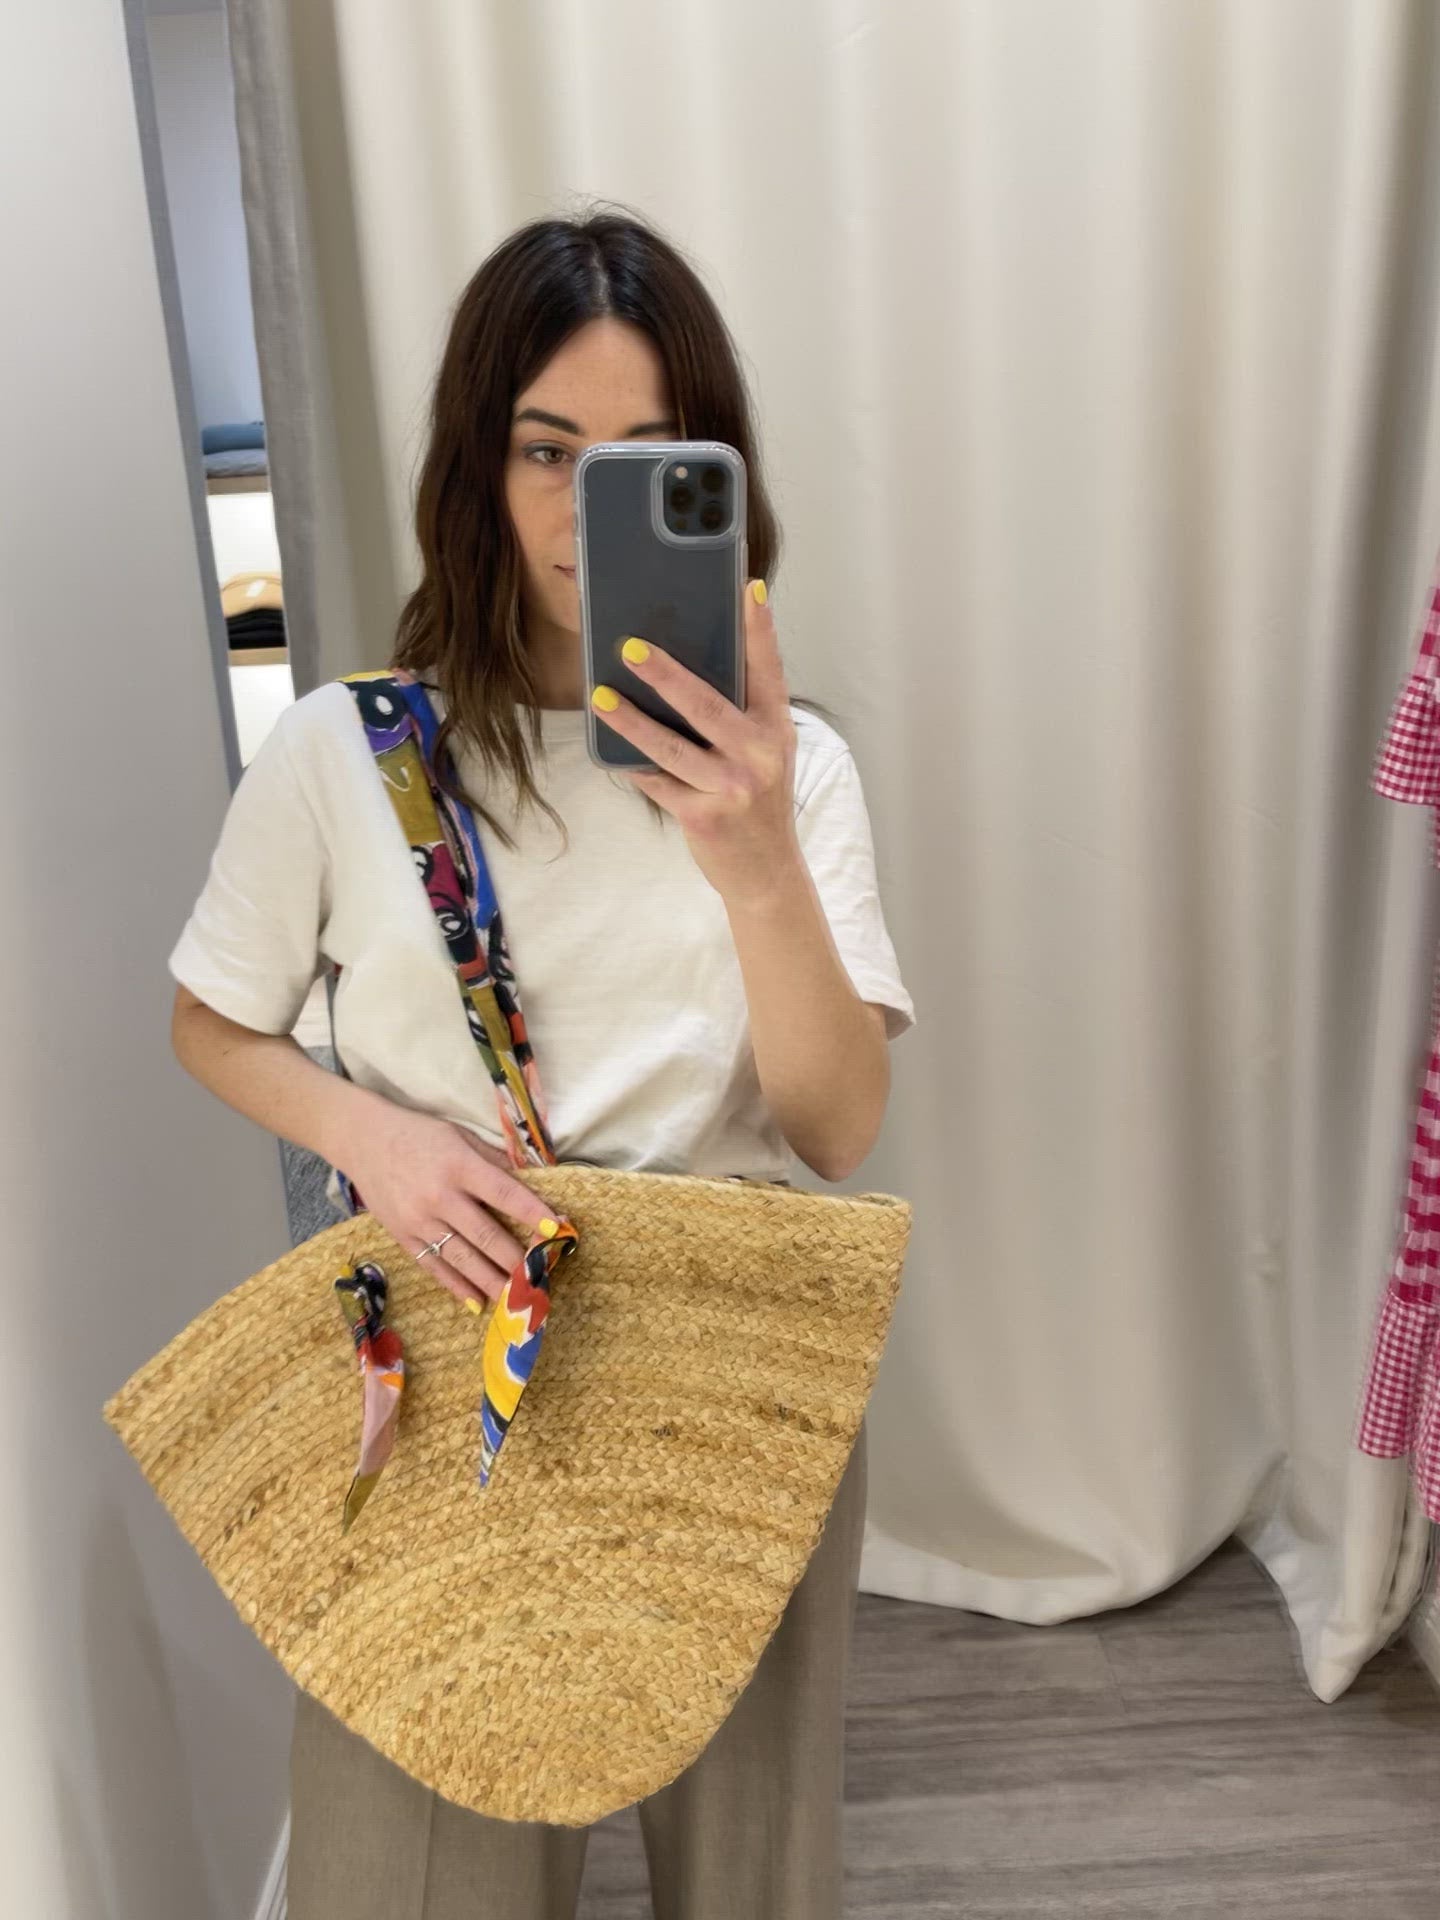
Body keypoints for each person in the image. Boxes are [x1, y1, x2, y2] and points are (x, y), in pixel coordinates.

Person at [168, 210, 914, 1920]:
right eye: (547, 451)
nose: (587, 511)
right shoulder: (347, 754)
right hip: (450, 1362)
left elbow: (836, 1130)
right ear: (477, 468)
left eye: (645, 462)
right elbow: (212, 1019)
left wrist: (755, 860)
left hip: (736, 1369)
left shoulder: (792, 778)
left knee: (751, 1879)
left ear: (713, 485)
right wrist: (374, 1138)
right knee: (414, 1874)